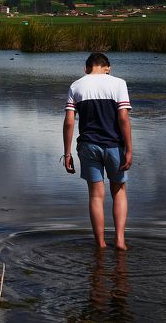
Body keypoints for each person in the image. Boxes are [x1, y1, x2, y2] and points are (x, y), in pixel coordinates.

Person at [62, 52, 133, 250]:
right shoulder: (118, 83)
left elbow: (69, 122)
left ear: (86, 68)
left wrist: (67, 154)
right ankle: (119, 241)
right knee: (118, 191)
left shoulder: (76, 86)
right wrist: (129, 149)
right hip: (114, 146)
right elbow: (123, 119)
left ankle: (100, 244)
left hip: (88, 146)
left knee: (95, 196)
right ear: (107, 68)